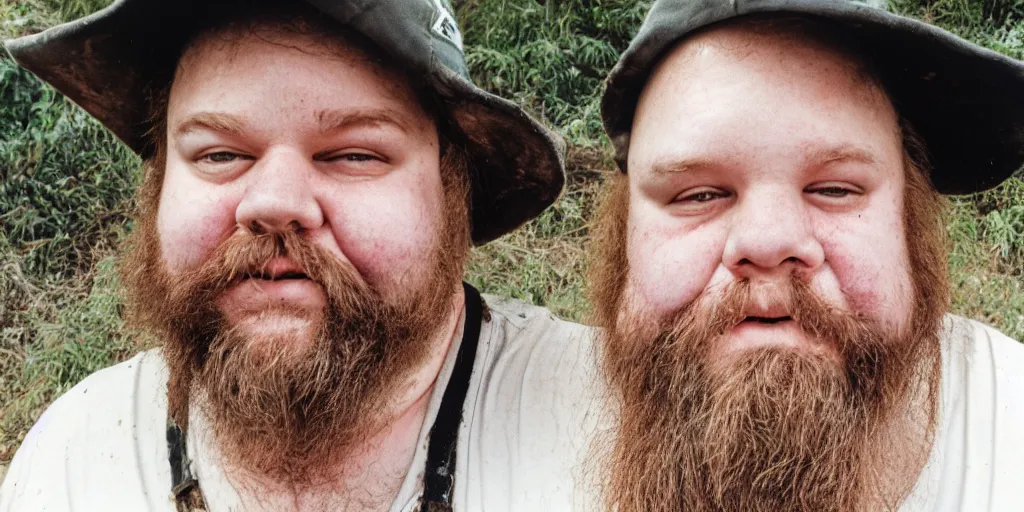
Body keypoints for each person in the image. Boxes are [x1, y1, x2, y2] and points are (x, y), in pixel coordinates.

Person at [0, 1, 601, 510]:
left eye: (355, 154)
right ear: (158, 186)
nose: (274, 204)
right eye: (219, 155)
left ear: (453, 192)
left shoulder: (606, 425)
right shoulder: (71, 464)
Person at [589, 0, 1024, 510]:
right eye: (698, 195)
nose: (768, 242)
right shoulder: (523, 422)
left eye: (836, 189)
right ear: (624, 235)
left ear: (910, 219)